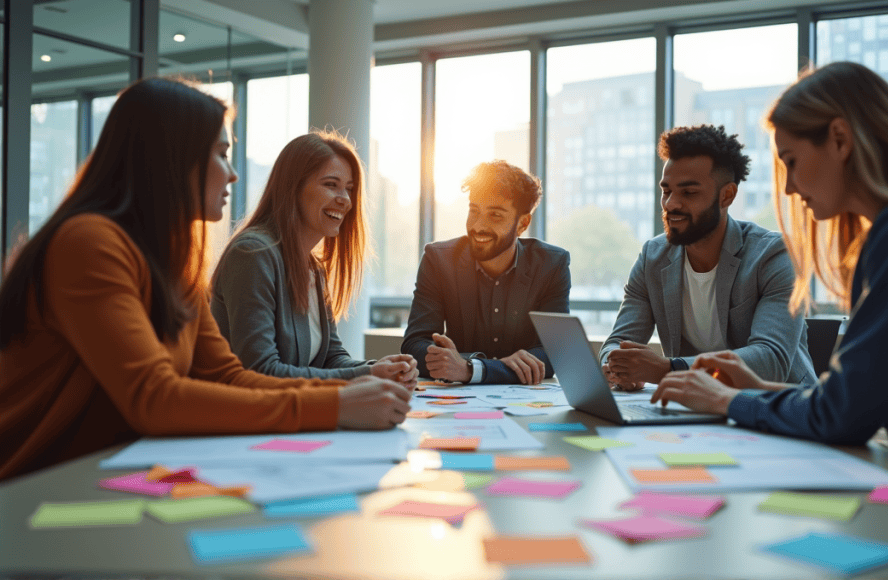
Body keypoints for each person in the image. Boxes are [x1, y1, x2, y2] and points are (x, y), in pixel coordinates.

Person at [652, 61, 888, 508]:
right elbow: (855, 400)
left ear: (841, 140)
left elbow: (843, 417)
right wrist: (752, 391)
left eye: (791, 161)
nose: (788, 187)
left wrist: (728, 402)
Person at [0, 78, 411, 482]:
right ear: (171, 158)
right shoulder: (90, 242)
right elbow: (154, 398)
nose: (232, 175)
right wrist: (336, 404)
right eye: (220, 154)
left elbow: (229, 376)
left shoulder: (172, 264)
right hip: (33, 484)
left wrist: (352, 389)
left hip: (110, 470)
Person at [601, 125, 814, 390]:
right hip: (696, 411)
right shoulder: (652, 258)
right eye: (666, 191)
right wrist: (616, 366)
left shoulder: (774, 255)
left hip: (781, 412)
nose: (671, 204)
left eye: (689, 193)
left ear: (726, 195)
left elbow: (770, 360)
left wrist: (671, 369)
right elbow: (619, 340)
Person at [210, 132, 417, 386]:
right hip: (248, 419)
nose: (346, 200)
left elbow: (332, 358)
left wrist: (381, 368)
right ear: (293, 188)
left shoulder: (313, 267)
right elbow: (260, 371)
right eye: (331, 185)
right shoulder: (253, 254)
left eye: (349, 189)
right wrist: (366, 375)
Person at [402, 160, 570, 385]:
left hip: (524, 404)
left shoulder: (551, 265)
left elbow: (555, 354)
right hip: (458, 404)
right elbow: (415, 345)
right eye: (474, 211)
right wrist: (470, 367)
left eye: (495, 215)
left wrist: (471, 369)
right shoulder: (438, 260)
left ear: (522, 223)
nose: (478, 226)